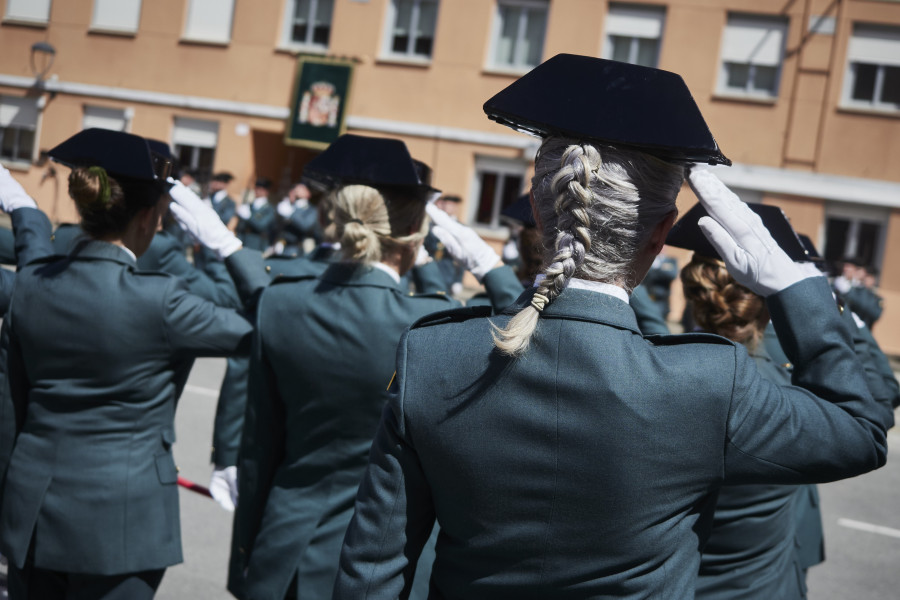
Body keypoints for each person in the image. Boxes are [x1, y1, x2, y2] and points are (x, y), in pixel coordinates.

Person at [333, 55, 889, 599]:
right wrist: (793, 288)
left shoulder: (435, 355)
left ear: (538, 202)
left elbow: (371, 571)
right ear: (661, 232)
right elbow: (860, 432)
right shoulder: (708, 382)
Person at [228, 133, 522, 600]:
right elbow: (522, 339)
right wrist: (488, 265)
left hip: (286, 552)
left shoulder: (278, 304)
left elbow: (257, 450)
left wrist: (247, 559)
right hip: (388, 566)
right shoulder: (431, 323)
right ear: (414, 234)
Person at [0, 128, 268, 599]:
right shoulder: (162, 300)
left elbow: (19, 396)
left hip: (33, 514)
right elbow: (271, 329)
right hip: (123, 525)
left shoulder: (32, 287)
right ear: (147, 218)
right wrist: (227, 247)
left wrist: (25, 211)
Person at [274, 182, 320, 257]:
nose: (296, 191)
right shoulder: (288, 205)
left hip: (296, 249)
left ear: (308, 193)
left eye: (301, 189)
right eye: (295, 190)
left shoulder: (312, 210)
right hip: (281, 245)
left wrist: (291, 214)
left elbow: (306, 226)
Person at [235, 177, 276, 252]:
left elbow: (261, 225)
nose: (257, 191)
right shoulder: (250, 205)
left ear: (266, 191)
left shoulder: (270, 209)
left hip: (257, 243)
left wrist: (249, 217)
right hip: (243, 240)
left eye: (261, 189)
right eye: (256, 188)